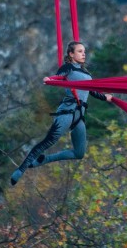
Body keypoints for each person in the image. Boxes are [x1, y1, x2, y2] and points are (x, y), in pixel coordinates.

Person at [10, 41, 113, 185]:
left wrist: (106, 97)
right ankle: (21, 169)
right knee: (49, 140)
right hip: (67, 111)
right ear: (71, 54)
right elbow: (59, 77)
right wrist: (50, 80)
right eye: (79, 51)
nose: (84, 54)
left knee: (79, 153)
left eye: (84, 51)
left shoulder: (86, 73)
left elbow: (92, 91)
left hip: (79, 116)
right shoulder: (68, 68)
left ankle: (45, 160)